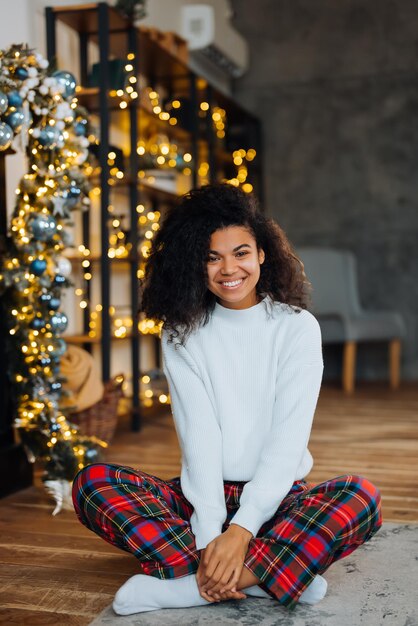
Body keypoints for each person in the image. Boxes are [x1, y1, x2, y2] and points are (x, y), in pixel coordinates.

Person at [72, 184, 382, 616]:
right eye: (211, 257)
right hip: (202, 495)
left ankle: (188, 585)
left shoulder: (297, 328)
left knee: (360, 497)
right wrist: (210, 532)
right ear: (193, 265)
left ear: (262, 255)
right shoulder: (182, 333)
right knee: (93, 484)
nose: (228, 269)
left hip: (278, 498)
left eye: (240, 253)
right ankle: (269, 576)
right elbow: (199, 437)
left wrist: (242, 530)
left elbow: (286, 441)